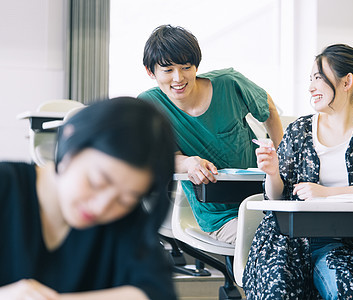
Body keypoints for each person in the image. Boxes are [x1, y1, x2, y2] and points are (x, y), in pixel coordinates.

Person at [243, 44, 353, 299]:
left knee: (347, 290)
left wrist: (325, 193)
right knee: (275, 289)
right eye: (310, 79)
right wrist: (272, 173)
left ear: (347, 82)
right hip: (287, 243)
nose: (311, 87)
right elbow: (275, 201)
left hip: (345, 245)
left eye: (319, 78)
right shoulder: (298, 129)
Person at [0, 97, 177, 300]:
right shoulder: (6, 186)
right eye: (97, 182)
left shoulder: (127, 221)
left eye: (126, 200)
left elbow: (157, 292)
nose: (102, 207)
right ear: (70, 139)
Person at [138, 25, 283, 245]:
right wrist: (189, 163)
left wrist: (282, 155)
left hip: (265, 198)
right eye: (167, 70)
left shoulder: (229, 83)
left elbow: (268, 108)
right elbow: (161, 158)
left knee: (306, 240)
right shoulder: (150, 105)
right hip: (218, 215)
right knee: (272, 243)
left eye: (186, 67)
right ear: (151, 72)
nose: (178, 78)